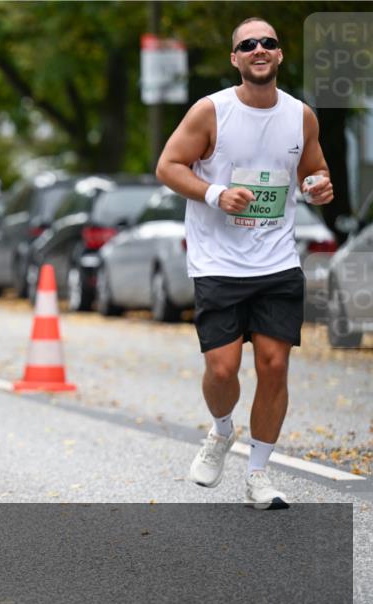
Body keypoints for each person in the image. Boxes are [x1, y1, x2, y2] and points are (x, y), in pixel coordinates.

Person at [156, 17, 334, 510]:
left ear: (279, 55)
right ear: (235, 58)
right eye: (248, 44)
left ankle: (258, 474)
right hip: (218, 263)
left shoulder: (300, 116)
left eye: (268, 43)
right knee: (222, 370)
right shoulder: (211, 111)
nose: (259, 49)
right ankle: (220, 430)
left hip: (276, 262)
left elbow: (314, 171)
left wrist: (318, 186)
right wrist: (215, 193)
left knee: (275, 366)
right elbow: (168, 166)